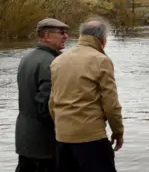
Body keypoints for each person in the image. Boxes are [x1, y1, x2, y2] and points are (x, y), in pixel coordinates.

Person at [49, 17, 124, 172]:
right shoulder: (101, 60)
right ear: (102, 40)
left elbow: (52, 102)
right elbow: (111, 105)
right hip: (91, 137)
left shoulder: (58, 61)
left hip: (62, 138)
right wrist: (118, 132)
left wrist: (61, 127)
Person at [15, 18, 69, 172]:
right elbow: (45, 108)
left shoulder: (27, 58)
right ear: (47, 35)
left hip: (25, 139)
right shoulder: (51, 63)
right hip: (43, 144)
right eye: (62, 33)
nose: (66, 36)